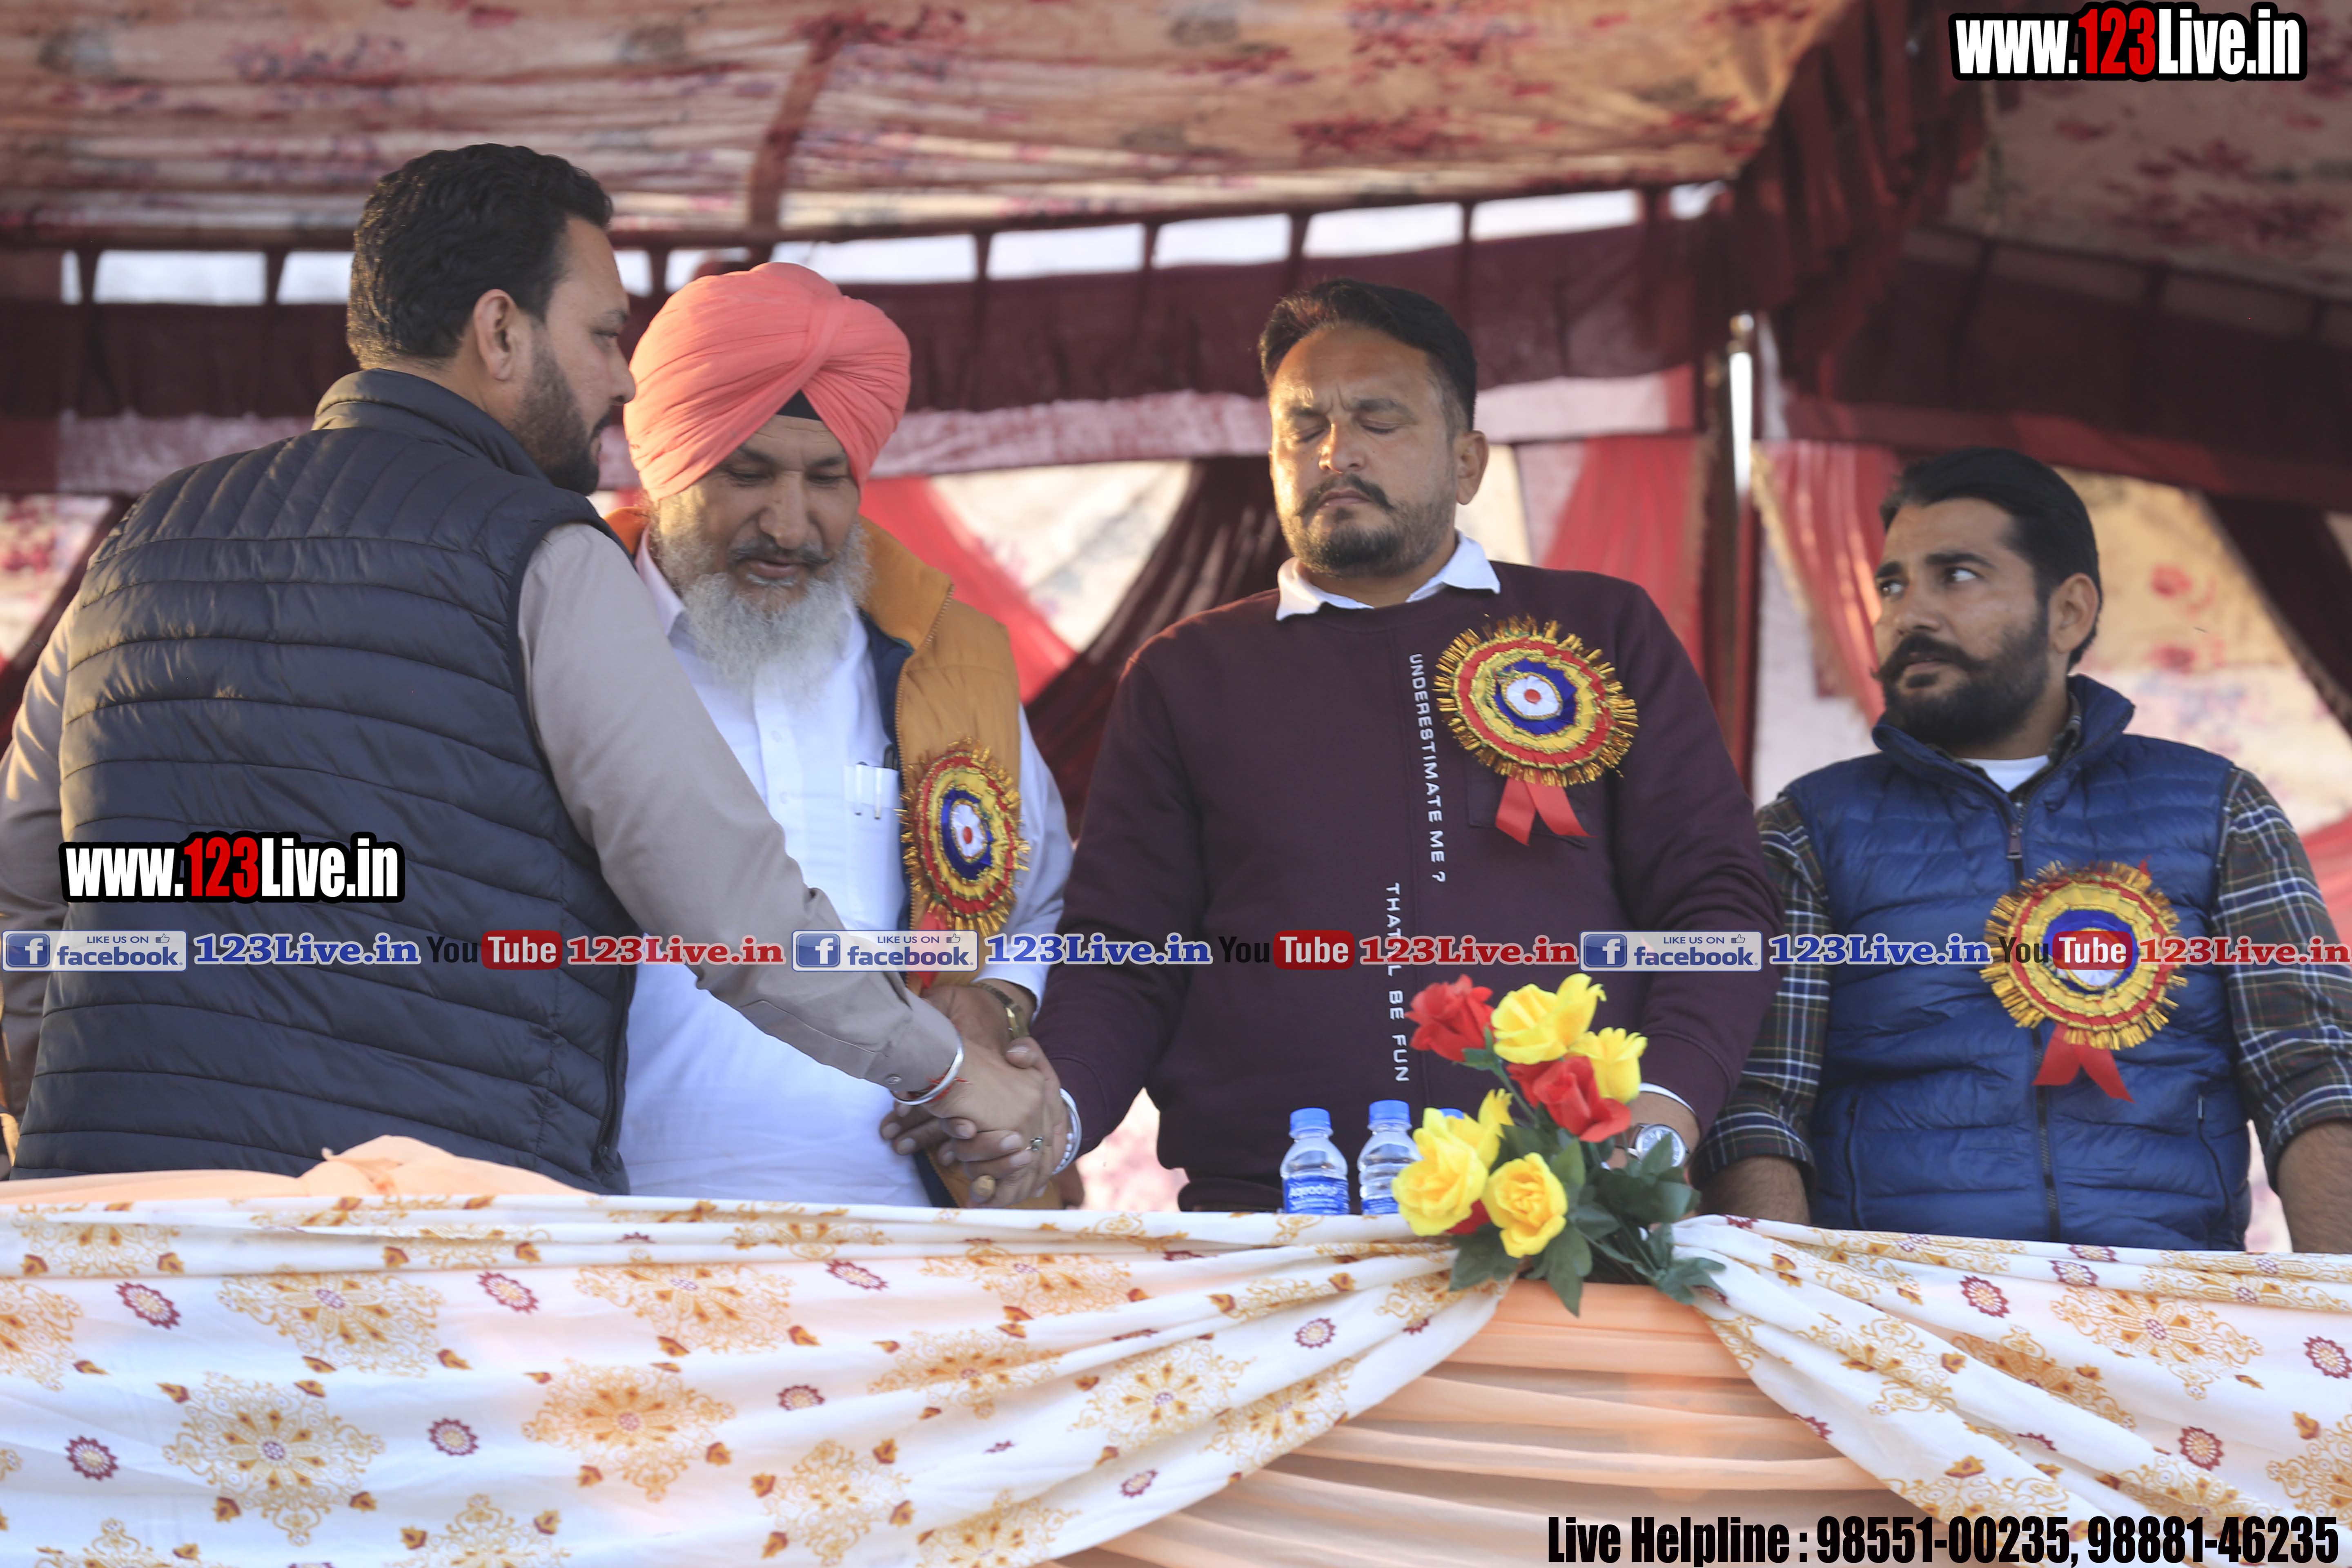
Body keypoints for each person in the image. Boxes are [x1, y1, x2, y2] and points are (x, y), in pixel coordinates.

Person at [0, 145, 1054, 1198]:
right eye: (601, 334)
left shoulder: (148, 540)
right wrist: (950, 1067)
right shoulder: (538, 552)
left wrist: (82, 1086)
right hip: (424, 1223)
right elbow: (722, 897)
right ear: (501, 331)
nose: (622, 377)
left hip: (120, 1224)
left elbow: (24, 890)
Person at [902, 278, 1780, 1210]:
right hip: (1277, 1215)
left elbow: (1714, 899)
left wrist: (1667, 1104)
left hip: (1570, 1204)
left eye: (1378, 419)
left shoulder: (1601, 629)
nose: (1335, 452)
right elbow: (1127, 952)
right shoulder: (1187, 673)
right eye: (1303, 426)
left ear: (1468, 462)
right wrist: (1055, 1113)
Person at [1697, 447, 2352, 1250]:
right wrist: (1793, 1302)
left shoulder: (2219, 810)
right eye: (1892, 586)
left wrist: (2335, 1306)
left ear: (2068, 612)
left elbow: (2314, 1078)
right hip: (1893, 1305)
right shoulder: (1810, 828)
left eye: (1957, 576)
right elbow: (1758, 1103)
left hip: (2173, 1298)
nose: (1910, 614)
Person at [601, 261, 1075, 1203]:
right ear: (666, 467)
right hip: (601, 1227)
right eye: (747, 474)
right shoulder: (565, 642)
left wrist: (998, 1000)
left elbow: (1046, 901)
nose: (790, 524)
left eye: (827, 479)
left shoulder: (951, 659)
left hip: (912, 1227)